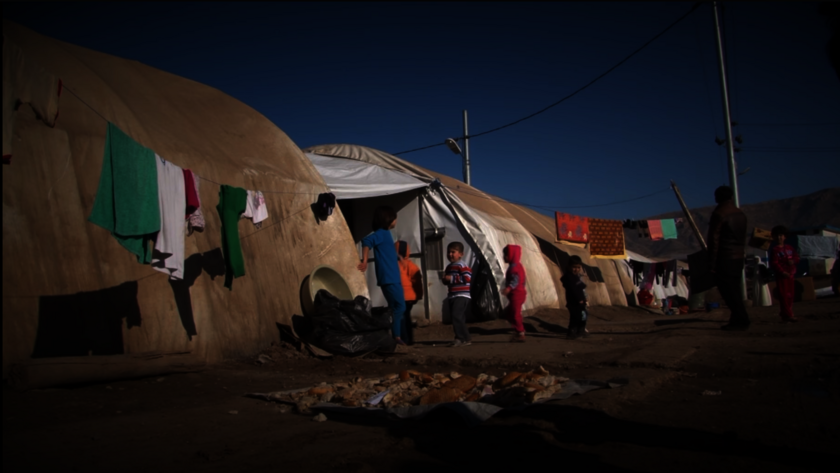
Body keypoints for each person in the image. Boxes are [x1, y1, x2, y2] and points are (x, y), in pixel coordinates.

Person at [358, 206, 406, 345]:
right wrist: (365, 260)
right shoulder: (382, 233)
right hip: (389, 277)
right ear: (388, 219)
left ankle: (395, 337)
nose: (396, 220)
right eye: (394, 218)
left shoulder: (386, 235)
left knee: (394, 307)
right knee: (400, 306)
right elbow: (366, 242)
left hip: (390, 277)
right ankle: (390, 333)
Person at [707, 185, 750, 330]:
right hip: (738, 256)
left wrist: (711, 261)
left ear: (718, 197)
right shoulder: (740, 214)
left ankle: (742, 318)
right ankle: (737, 318)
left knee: (728, 290)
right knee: (734, 289)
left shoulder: (720, 214)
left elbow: (714, 240)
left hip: (725, 257)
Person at [442, 241, 472, 347]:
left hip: (462, 295)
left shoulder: (462, 265)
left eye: (453, 252)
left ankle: (460, 338)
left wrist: (451, 278)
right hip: (453, 295)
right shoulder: (449, 267)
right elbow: (450, 282)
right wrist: (445, 280)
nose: (450, 254)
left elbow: (467, 278)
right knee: (458, 317)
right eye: (449, 252)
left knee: (456, 316)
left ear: (461, 254)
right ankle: (465, 338)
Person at [769, 225, 800, 322]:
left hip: (791, 274)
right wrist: (782, 272)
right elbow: (774, 263)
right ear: (773, 237)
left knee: (790, 295)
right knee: (783, 296)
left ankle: (785, 313)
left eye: (781, 235)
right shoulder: (775, 250)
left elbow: (797, 257)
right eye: (777, 236)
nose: (779, 238)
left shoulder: (790, 248)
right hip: (782, 276)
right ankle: (788, 315)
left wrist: (793, 261)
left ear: (785, 236)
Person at [395, 240, 423, 345]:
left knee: (401, 318)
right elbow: (418, 284)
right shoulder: (411, 266)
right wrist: (418, 296)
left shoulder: (394, 265)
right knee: (405, 317)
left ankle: (404, 339)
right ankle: (409, 339)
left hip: (401, 296)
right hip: (410, 297)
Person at [501, 244, 528, 342]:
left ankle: (520, 333)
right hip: (517, 294)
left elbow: (516, 281)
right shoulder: (516, 266)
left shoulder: (515, 268)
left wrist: (509, 288)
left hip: (517, 294)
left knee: (515, 314)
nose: (504, 257)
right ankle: (518, 328)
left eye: (506, 255)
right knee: (510, 313)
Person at [560, 255, 589, 340]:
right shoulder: (569, 278)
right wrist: (579, 299)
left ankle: (581, 330)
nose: (576, 269)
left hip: (580, 301)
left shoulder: (575, 277)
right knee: (575, 317)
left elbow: (580, 288)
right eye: (574, 267)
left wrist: (584, 298)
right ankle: (571, 333)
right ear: (569, 267)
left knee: (583, 316)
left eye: (578, 267)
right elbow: (573, 291)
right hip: (574, 302)